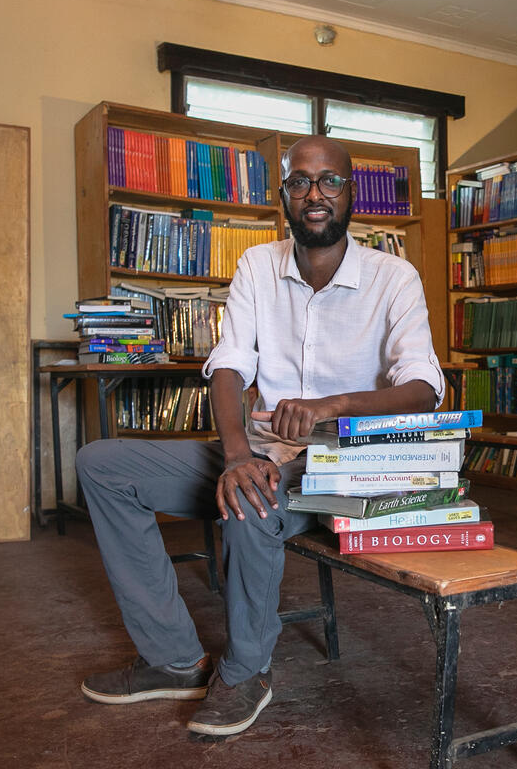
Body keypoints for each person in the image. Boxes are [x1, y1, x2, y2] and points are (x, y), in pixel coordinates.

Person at [75, 135, 445, 737]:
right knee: (102, 464)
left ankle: (247, 671)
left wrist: (335, 405)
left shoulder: (393, 278)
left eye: (330, 181)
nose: (315, 194)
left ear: (351, 193)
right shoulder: (255, 265)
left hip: (340, 463)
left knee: (252, 502)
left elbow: (424, 387)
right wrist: (237, 454)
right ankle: (175, 658)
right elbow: (229, 366)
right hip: (261, 449)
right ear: (284, 197)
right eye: (300, 182)